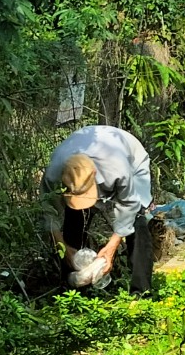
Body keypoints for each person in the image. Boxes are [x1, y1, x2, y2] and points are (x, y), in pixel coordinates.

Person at [41, 125, 154, 295]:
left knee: (137, 219)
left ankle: (141, 291)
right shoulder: (53, 172)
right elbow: (47, 210)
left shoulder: (118, 168)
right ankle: (73, 287)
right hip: (87, 149)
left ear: (94, 174)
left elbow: (129, 206)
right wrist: (62, 246)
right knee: (75, 215)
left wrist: (110, 248)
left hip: (131, 157)